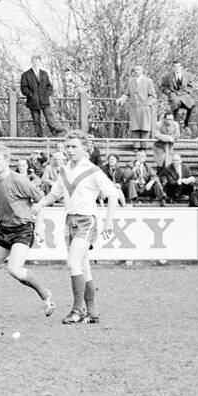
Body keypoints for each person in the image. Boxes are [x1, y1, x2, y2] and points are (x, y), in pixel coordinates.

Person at [31, 131, 120, 324]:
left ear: (85, 148)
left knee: (73, 263)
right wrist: (40, 204)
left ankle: (77, 310)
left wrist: (109, 221)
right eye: (67, 146)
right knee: (83, 267)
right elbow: (55, 194)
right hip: (70, 222)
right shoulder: (64, 170)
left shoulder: (93, 170)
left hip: (87, 221)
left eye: (74, 147)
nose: (69, 150)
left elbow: (112, 193)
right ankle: (93, 312)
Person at [0, 145, 55, 318]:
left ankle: (45, 295)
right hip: (4, 230)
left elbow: (42, 200)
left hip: (23, 230)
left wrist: (39, 227)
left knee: (14, 269)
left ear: (6, 161)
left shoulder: (19, 180)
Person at [19, 54, 63, 136]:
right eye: (34, 62)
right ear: (32, 62)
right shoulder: (26, 75)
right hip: (33, 101)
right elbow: (23, 88)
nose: (36, 64)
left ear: (40, 63)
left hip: (44, 100)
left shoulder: (44, 74)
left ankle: (55, 132)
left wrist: (46, 94)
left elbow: (49, 86)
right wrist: (30, 94)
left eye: (38, 62)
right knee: (36, 120)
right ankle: (40, 138)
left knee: (49, 116)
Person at [116, 64, 157, 146]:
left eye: (138, 69)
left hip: (144, 108)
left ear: (142, 71)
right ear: (133, 71)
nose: (137, 71)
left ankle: (144, 147)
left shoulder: (148, 80)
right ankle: (136, 146)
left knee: (145, 128)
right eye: (135, 70)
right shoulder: (131, 81)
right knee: (135, 128)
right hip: (134, 108)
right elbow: (127, 94)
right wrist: (121, 100)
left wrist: (147, 104)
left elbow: (153, 96)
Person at [159, 62, 197, 128]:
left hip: (184, 93)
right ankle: (175, 124)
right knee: (176, 104)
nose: (177, 68)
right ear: (173, 67)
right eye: (175, 67)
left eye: (178, 66)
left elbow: (191, 86)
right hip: (173, 93)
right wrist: (169, 92)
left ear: (181, 67)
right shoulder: (168, 75)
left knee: (191, 104)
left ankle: (186, 123)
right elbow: (163, 87)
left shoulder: (187, 75)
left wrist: (187, 91)